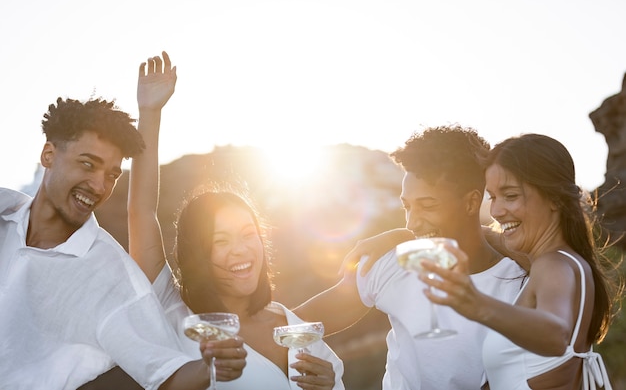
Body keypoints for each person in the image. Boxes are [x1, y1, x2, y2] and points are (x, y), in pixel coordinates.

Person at [0, 85, 246, 389]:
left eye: (112, 175)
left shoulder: (111, 275)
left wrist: (210, 367)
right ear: (48, 155)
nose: (99, 186)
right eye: (88, 165)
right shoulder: (5, 213)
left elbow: (165, 373)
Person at [128, 51, 345, 389]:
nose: (241, 250)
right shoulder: (178, 316)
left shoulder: (295, 328)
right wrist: (149, 113)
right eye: (220, 241)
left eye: (248, 234)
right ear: (199, 253)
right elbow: (141, 213)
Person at [294, 125, 526, 390]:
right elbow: (296, 322)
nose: (412, 223)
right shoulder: (392, 262)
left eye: (428, 206)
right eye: (407, 206)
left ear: (472, 203)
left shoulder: (518, 285)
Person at [418, 133, 621, 390]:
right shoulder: (568, 262)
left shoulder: (552, 266)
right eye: (492, 197)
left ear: (556, 198)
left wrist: (476, 303)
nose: (496, 210)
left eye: (510, 195)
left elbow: (555, 335)